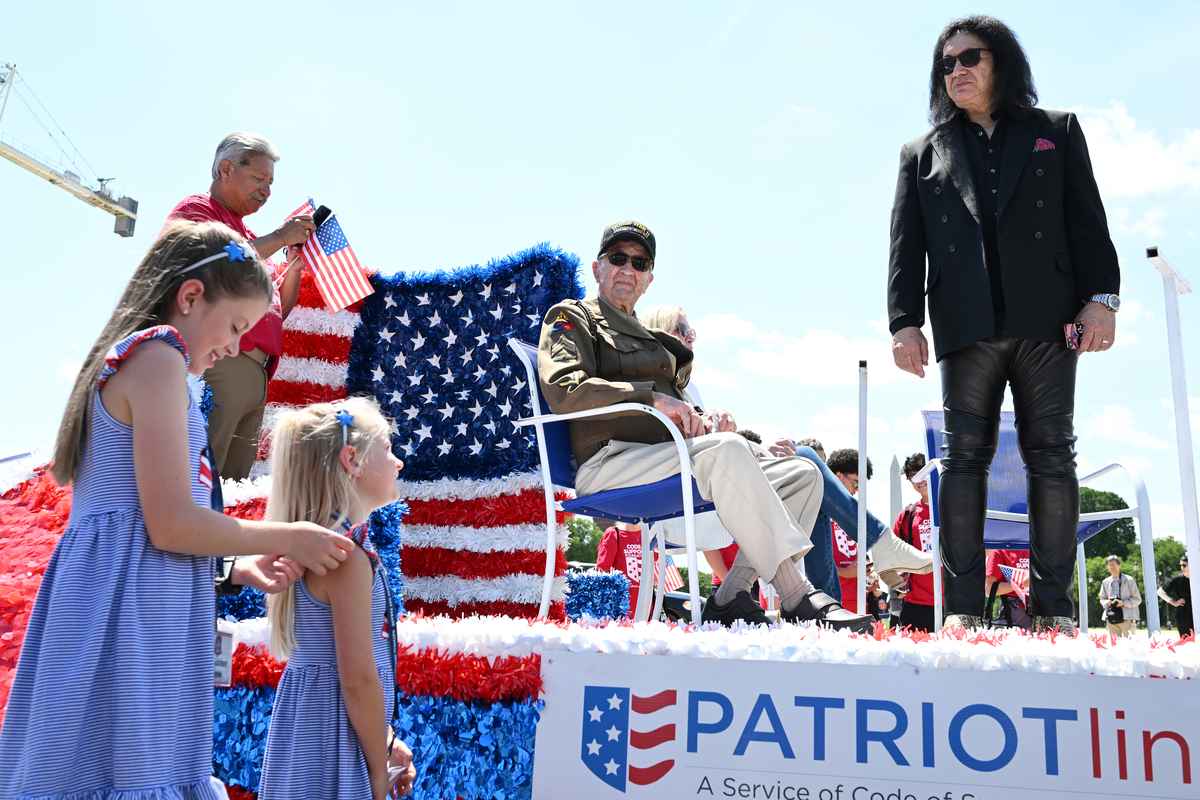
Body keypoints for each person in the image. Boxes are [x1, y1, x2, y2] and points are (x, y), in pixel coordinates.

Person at [0, 221, 353, 799]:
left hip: (130, 603)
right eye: (235, 326)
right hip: (130, 617)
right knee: (132, 772)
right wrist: (289, 535)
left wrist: (236, 567)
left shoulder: (155, 367)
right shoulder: (159, 358)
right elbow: (168, 525)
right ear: (190, 296)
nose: (235, 347)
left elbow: (150, 525)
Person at [538, 220, 929, 631]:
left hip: (665, 458)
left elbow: (678, 412)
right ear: (598, 267)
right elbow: (564, 388)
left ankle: (731, 595)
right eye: (618, 258)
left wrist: (705, 421)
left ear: (649, 279)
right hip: (610, 463)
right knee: (728, 450)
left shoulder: (652, 340)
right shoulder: (572, 317)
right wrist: (652, 398)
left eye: (639, 263)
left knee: (802, 474)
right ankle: (797, 594)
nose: (627, 269)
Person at [887, 16, 1121, 634]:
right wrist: (904, 322)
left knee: (1053, 457)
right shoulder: (921, 153)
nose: (956, 70)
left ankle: (1054, 611)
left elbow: (1088, 222)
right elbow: (906, 247)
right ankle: (962, 609)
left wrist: (1102, 299)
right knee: (963, 461)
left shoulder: (1056, 131)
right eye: (946, 63)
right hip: (964, 326)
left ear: (1002, 63)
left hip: (1049, 321)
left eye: (970, 57)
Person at [259, 398, 415, 800]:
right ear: (352, 460)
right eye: (387, 449)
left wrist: (384, 738)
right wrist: (378, 770)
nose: (398, 462)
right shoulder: (345, 560)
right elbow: (358, 679)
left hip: (314, 729)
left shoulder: (331, 550)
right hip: (333, 738)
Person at [168, 132, 316, 480]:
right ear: (226, 169)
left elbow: (277, 310)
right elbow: (215, 261)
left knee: (229, 489)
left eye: (270, 183)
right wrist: (280, 237)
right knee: (198, 481)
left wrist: (293, 265)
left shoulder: (248, 238)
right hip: (219, 364)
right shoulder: (197, 210)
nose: (266, 191)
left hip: (255, 373)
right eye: (259, 178)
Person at [825, 448, 874, 613]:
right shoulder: (820, 510)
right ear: (839, 476)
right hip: (831, 600)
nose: (857, 489)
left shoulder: (855, 512)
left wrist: (867, 572)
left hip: (858, 598)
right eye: (855, 482)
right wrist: (845, 572)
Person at [894, 453, 937, 632]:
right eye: (913, 476)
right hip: (915, 601)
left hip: (950, 601)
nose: (919, 479)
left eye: (922, 472)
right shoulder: (908, 515)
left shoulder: (952, 509)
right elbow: (893, 551)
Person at [595, 520, 658, 617]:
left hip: (647, 607)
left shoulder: (651, 537)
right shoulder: (614, 533)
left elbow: (657, 570)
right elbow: (601, 572)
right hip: (620, 608)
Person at [985, 548, 1033, 629]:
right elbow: (989, 589)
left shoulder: (1040, 547)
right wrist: (1021, 584)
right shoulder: (999, 549)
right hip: (1013, 609)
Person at [1098, 555, 1141, 637]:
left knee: (1129, 643)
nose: (1112, 567)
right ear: (1107, 567)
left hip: (1127, 618)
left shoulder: (1129, 580)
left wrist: (1123, 603)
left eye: (1113, 565)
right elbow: (1102, 599)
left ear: (1119, 565)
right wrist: (1107, 602)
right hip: (1111, 618)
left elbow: (1138, 599)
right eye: (1109, 565)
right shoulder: (1105, 582)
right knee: (1114, 643)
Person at [1157, 555, 1192, 638]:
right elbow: (1160, 592)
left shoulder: (1197, 578)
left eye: (1184, 565)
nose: (1182, 567)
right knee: (1186, 642)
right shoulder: (1177, 579)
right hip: (1183, 617)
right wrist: (1174, 602)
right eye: (1181, 565)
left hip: (1197, 615)